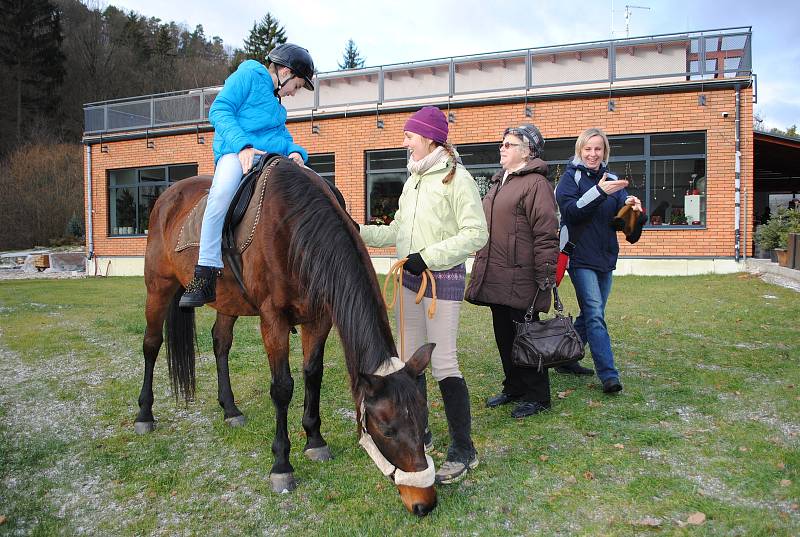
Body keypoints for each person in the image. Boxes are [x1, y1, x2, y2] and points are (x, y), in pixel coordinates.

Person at [359, 106, 488, 484]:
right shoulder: (412, 180)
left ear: (429, 138)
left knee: (444, 363)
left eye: (409, 136)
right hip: (409, 282)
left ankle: (464, 450)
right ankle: (422, 432)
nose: (404, 142)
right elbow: (398, 231)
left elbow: (476, 234)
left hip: (441, 282)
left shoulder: (457, 178)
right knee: (408, 365)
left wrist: (427, 257)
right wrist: (356, 231)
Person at [180, 44, 315, 308]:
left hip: (269, 158)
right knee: (220, 195)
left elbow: (282, 138)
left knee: (312, 183)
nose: (294, 92)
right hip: (235, 151)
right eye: (297, 86)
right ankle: (205, 271)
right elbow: (219, 110)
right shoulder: (248, 75)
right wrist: (242, 145)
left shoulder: (277, 107)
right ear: (285, 72)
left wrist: (297, 152)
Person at [465, 124, 560, 418]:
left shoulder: (535, 184)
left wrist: (545, 275)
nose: (502, 148)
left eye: (509, 144)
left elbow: (546, 232)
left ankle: (538, 395)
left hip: (522, 276)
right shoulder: (498, 182)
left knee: (526, 335)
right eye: (503, 143)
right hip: (497, 274)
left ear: (527, 151)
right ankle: (514, 386)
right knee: (504, 334)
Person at [555, 127, 645, 394]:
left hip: (605, 256)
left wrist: (631, 208)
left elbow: (619, 224)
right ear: (579, 151)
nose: (593, 154)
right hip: (580, 256)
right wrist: (600, 192)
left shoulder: (613, 179)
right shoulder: (570, 179)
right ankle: (609, 375)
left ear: (604, 151)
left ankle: (564, 358)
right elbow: (571, 213)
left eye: (598, 149)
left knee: (591, 314)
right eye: (588, 149)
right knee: (595, 315)